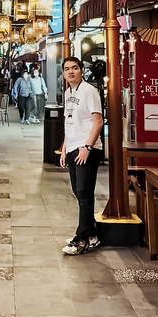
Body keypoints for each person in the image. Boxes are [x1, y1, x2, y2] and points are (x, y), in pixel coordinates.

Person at [59, 57, 104, 255]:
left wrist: (88, 147)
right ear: (63, 74)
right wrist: (64, 148)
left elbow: (98, 122)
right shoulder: (68, 93)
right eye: (67, 69)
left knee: (84, 192)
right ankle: (92, 234)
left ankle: (82, 239)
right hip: (72, 147)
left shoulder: (89, 91)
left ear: (81, 71)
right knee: (79, 192)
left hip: (87, 148)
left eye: (75, 68)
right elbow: (69, 123)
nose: (71, 72)